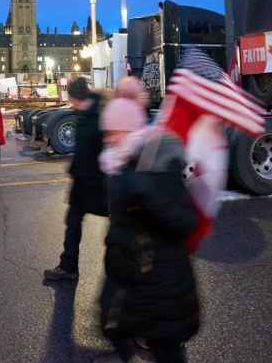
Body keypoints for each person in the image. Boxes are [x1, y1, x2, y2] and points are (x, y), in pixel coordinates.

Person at [95, 96, 200, 363]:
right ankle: (124, 354)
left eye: (112, 133)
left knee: (164, 345)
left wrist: (144, 191)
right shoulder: (125, 165)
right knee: (116, 322)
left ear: (130, 131)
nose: (107, 140)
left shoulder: (154, 168)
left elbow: (185, 221)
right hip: (132, 273)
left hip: (158, 281)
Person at [43, 77, 108, 281]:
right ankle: (68, 266)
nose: (69, 101)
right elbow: (81, 149)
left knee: (118, 226)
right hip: (82, 181)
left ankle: (123, 272)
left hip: (99, 183)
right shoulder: (83, 114)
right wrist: (73, 168)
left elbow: (103, 152)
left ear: (76, 96)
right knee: (72, 222)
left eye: (70, 97)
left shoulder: (98, 117)